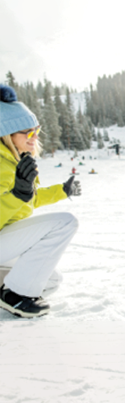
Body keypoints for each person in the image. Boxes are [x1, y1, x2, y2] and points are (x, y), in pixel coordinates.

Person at [0, 84, 81, 318]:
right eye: (27, 132)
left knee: (51, 280)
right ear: (6, 134)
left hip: (5, 236)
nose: (34, 138)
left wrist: (62, 191)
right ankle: (14, 296)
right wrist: (17, 195)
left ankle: (12, 289)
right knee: (65, 222)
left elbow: (30, 201)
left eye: (36, 130)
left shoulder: (16, 160)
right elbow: (19, 199)